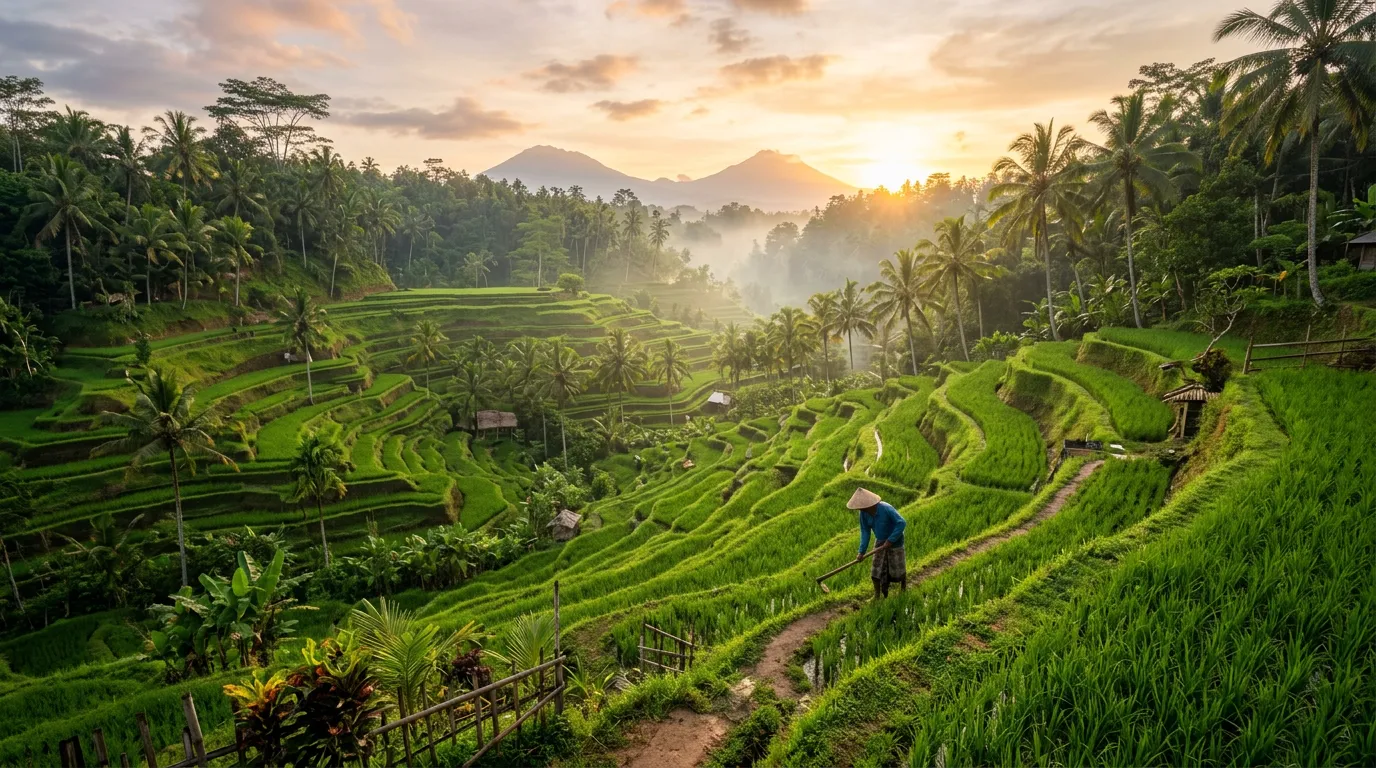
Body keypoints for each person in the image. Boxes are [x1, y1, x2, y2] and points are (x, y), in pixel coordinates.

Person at [848, 487, 906, 599]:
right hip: (880, 541)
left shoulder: (886, 508)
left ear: (869, 504)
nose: (861, 509)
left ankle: (903, 587)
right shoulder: (863, 514)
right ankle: (877, 595)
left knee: (897, 568)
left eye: (862, 507)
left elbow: (901, 523)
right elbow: (865, 532)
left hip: (896, 540)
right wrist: (861, 552)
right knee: (876, 569)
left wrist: (890, 540)